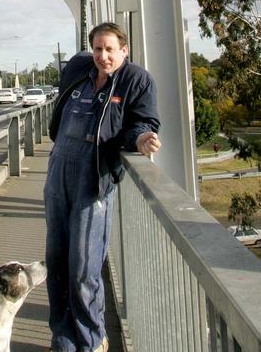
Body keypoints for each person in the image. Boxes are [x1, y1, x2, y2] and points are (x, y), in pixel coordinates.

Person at [44, 22, 161, 352]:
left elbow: (141, 121)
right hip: (58, 169)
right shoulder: (81, 69)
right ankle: (63, 339)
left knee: (83, 265)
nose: (103, 56)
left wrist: (140, 138)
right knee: (56, 259)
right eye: (98, 49)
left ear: (124, 50)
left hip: (92, 176)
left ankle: (92, 340)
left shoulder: (136, 79)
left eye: (110, 49)